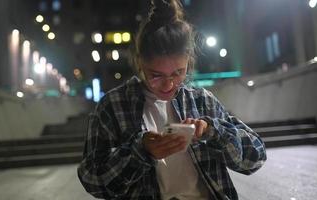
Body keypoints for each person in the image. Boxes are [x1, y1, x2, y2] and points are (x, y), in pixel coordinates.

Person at [78, 0, 267, 199]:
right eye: (156, 75)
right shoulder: (113, 106)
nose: (168, 85)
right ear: (140, 62)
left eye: (178, 73)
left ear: (189, 61)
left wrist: (213, 131)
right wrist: (140, 152)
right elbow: (92, 180)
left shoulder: (202, 101)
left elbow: (256, 157)